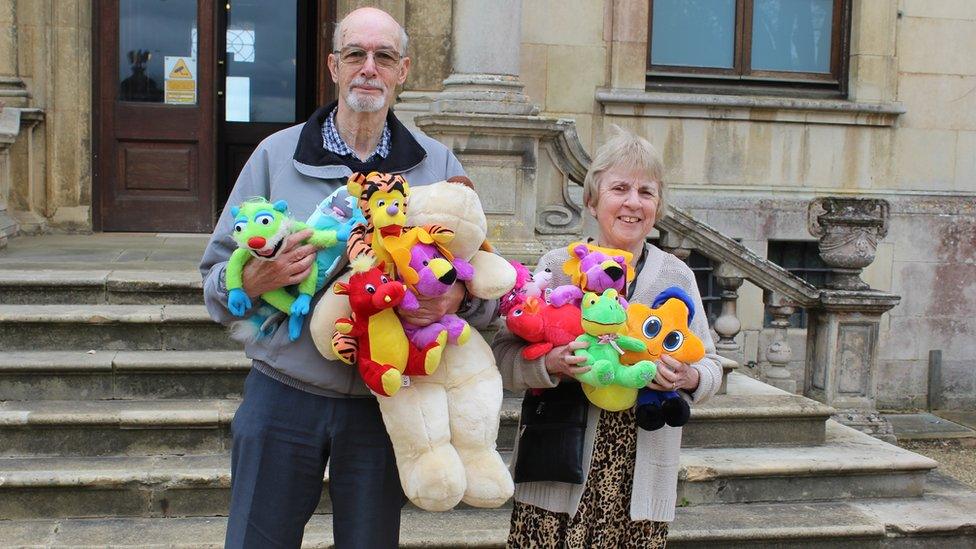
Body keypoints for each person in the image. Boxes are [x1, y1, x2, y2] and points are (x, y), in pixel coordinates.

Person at [199, 7, 494, 548]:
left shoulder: (437, 163)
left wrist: (453, 297)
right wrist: (256, 280)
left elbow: (489, 283)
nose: (368, 69)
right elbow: (214, 283)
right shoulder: (276, 155)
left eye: (383, 57)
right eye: (355, 54)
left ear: (403, 71)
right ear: (334, 65)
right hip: (283, 394)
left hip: (387, 403)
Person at [492, 127, 724, 548]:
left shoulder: (676, 275)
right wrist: (551, 363)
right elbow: (504, 354)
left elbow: (710, 364)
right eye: (619, 188)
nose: (633, 202)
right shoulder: (558, 268)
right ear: (592, 200)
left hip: (639, 475)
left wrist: (686, 377)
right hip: (557, 467)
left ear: (658, 206)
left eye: (646, 192)